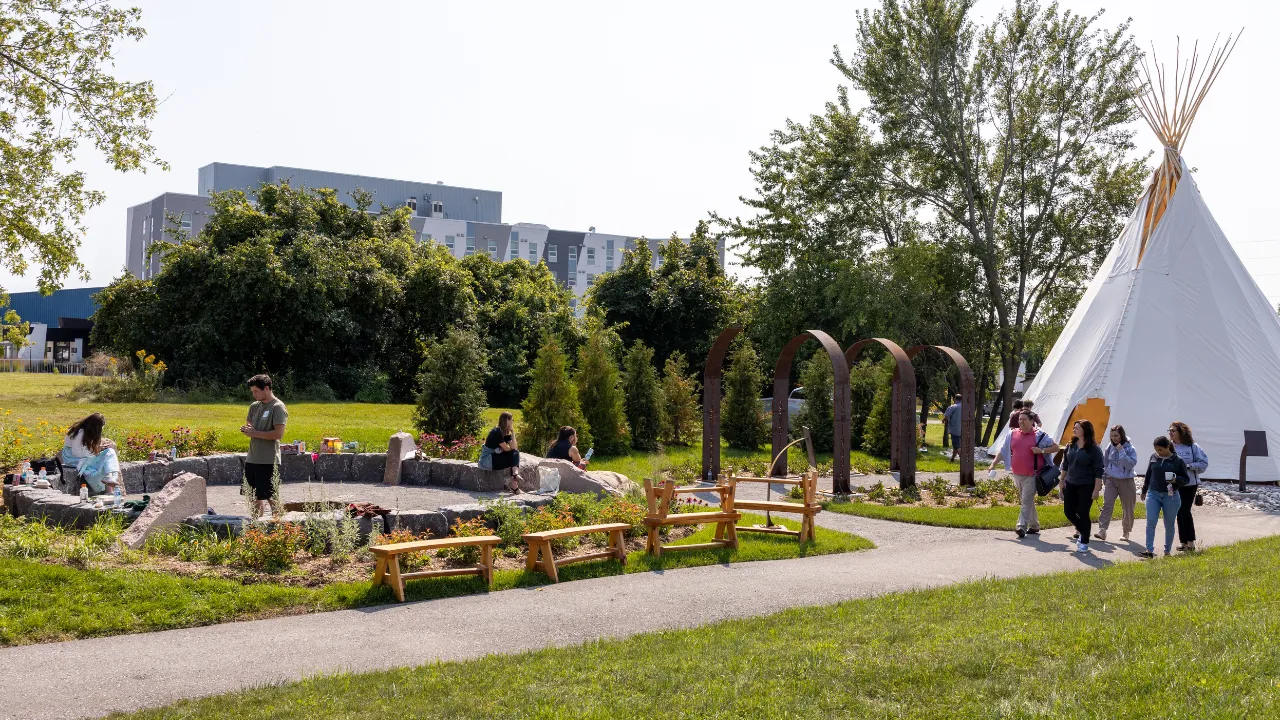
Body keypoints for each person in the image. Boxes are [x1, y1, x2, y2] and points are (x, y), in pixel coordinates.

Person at [239, 374, 287, 517]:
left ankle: (279, 527)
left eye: (256, 391)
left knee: (271, 497)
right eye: (252, 391)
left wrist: (255, 432)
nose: (254, 395)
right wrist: (247, 430)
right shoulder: (254, 406)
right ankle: (257, 527)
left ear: (266, 388)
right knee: (253, 496)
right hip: (252, 458)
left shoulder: (278, 407)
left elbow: (278, 434)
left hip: (268, 460)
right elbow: (251, 426)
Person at [1007, 411, 1056, 539]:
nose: (1020, 422)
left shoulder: (1040, 435)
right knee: (1026, 500)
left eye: (1023, 419)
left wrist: (1042, 450)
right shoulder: (1014, 433)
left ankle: (1021, 526)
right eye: (1019, 419)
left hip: (1033, 474)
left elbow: (1055, 447)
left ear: (1031, 421)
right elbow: (1005, 450)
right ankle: (1034, 525)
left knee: (1026, 500)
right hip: (1017, 473)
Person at [1140, 436, 1190, 558]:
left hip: (1171, 496)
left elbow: (1186, 480)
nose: (1158, 452)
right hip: (1153, 493)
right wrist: (1144, 490)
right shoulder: (1153, 457)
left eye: (1161, 450)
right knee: (1151, 521)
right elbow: (1148, 474)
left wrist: (1176, 479)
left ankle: (1167, 551)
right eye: (1156, 449)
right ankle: (1149, 550)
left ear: (1168, 447)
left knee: (1169, 524)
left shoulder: (1178, 461)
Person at [1061, 420, 1105, 553]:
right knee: (1068, 511)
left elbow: (1099, 470)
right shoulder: (1071, 446)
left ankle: (1084, 540)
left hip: (1087, 485)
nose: (1074, 430)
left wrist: (1096, 490)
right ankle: (1084, 531)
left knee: (1083, 512)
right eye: (1074, 428)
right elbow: (1065, 465)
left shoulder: (1094, 449)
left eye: (1077, 428)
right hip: (1071, 483)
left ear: (1085, 430)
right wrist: (1062, 480)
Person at [1167, 421, 1208, 551]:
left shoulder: (1192, 447)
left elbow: (1203, 463)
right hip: (1175, 483)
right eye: (1169, 431)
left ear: (1181, 432)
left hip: (1190, 484)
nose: (1171, 433)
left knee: (1185, 510)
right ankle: (1183, 542)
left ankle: (1191, 542)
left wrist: (1189, 466)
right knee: (1178, 511)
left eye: (1173, 430)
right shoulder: (1169, 446)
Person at [1095, 424, 1138, 542]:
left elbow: (1130, 464)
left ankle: (1126, 532)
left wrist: (1121, 451)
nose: (1114, 438)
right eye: (1112, 436)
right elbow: (1106, 463)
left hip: (1126, 480)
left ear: (1121, 435)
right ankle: (1102, 530)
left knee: (1128, 507)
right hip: (1111, 479)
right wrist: (1105, 478)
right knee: (1107, 504)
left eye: (1116, 436)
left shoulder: (1130, 448)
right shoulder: (1109, 447)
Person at [61, 413, 121, 495]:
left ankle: (110, 480)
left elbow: (84, 449)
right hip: (73, 459)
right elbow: (77, 454)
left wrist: (97, 448)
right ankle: (108, 488)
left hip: (83, 457)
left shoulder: (85, 431)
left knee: (110, 452)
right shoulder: (79, 433)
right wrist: (96, 450)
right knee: (104, 460)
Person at [482, 411, 521, 494]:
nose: (513, 421)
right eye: (511, 420)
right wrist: (512, 453)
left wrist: (513, 432)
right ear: (506, 420)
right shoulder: (496, 432)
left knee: (515, 453)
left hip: (495, 458)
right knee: (513, 456)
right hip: (487, 461)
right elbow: (507, 449)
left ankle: (515, 476)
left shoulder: (505, 433)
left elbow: (514, 448)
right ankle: (514, 484)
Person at [942, 394, 963, 461]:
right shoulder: (966, 407)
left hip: (955, 430)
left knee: (957, 446)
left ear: (955, 399)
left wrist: (943, 420)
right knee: (955, 446)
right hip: (963, 430)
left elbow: (946, 417)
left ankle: (964, 461)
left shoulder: (953, 407)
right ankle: (952, 459)